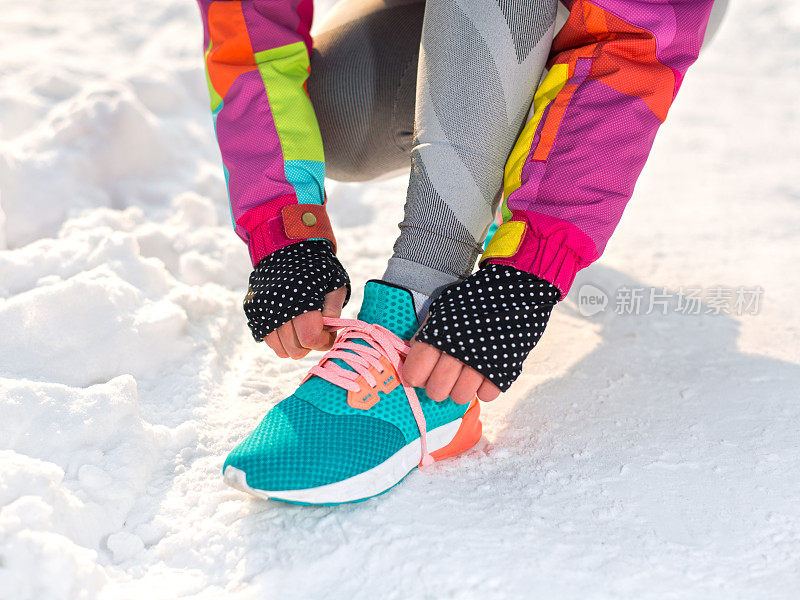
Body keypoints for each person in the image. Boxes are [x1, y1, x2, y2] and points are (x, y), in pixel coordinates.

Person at [197, 0, 715, 504]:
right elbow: (248, 32)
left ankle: (420, 300)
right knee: (342, 100)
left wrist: (528, 269)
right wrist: (283, 227)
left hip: (637, 18)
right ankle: (495, 158)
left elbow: (635, 40)